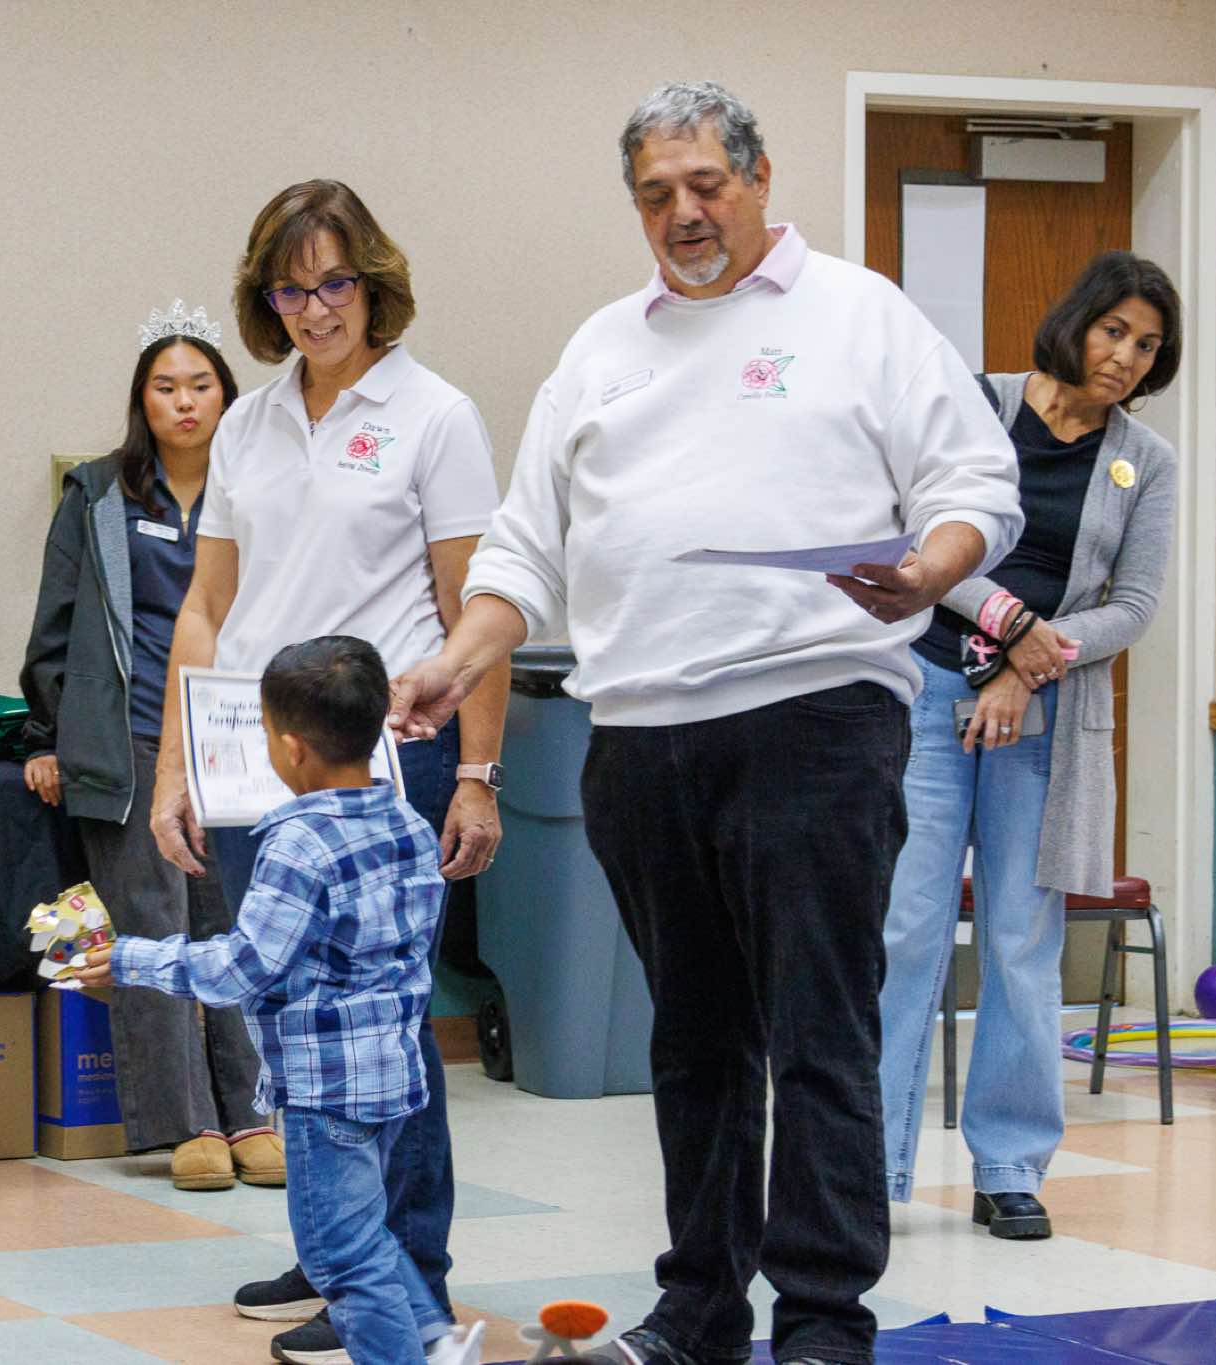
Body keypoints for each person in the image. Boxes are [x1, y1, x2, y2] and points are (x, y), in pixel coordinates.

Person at [387, 82, 1023, 1365]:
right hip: (636, 739)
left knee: (819, 1033)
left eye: (704, 185)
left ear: (759, 177)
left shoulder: (860, 314)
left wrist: (927, 569)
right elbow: (521, 548)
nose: (681, 213)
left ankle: (824, 1321)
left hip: (813, 719)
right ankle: (700, 1312)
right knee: (691, 1041)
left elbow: (975, 485)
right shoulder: (599, 349)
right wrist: (459, 654)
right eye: (654, 195)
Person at [148, 179, 507, 1361]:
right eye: (288, 290)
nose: (313, 309)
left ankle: (409, 1280)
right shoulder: (245, 426)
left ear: (373, 282)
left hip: (382, 762)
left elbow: (474, 606)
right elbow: (205, 609)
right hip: (257, 763)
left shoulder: (434, 415)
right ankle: (334, 1252)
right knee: (291, 1025)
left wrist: (478, 773)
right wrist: (175, 769)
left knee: (380, 1033)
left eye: (334, 283)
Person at [876, 251, 1182, 1241]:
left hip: (1043, 716)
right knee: (902, 930)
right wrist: (1009, 626)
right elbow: (918, 538)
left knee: (1019, 939)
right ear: (1076, 320)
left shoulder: (1147, 462)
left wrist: (1025, 667)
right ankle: (865, 1166)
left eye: (1147, 346)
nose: (1125, 357)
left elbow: (1134, 605)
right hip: (928, 690)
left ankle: (1008, 1167)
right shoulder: (979, 405)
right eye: (1114, 331)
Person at [79, 636, 484, 1365]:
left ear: (290, 748)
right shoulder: (409, 824)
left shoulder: (297, 843)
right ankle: (435, 1339)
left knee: (342, 1256)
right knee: (371, 1239)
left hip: (326, 1090)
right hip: (394, 1074)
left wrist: (133, 959)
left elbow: (244, 967)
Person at [18, 301, 279, 1191]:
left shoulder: (259, 484)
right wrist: (48, 735)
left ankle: (252, 1112)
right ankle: (185, 1123)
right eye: (166, 387)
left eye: (201, 385)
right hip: (129, 734)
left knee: (235, 923)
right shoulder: (98, 493)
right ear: (142, 401)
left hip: (234, 732)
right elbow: (56, 622)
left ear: (227, 395)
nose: (185, 402)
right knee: (151, 924)